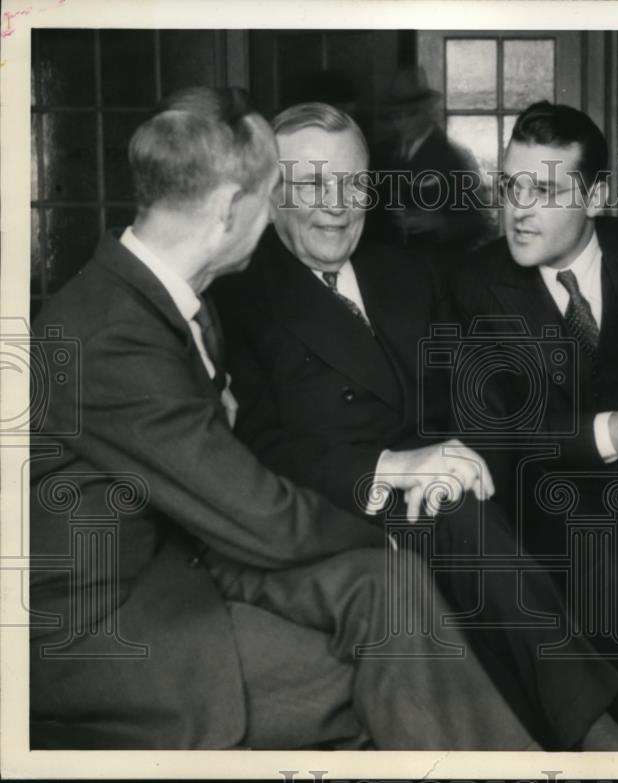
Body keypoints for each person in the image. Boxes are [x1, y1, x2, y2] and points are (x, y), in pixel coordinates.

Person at [28, 86, 555, 751]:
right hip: (102, 628)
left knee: (390, 592)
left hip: (187, 562)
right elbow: (258, 514)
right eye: (284, 188)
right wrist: (386, 529)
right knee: (394, 668)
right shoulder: (112, 334)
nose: (302, 209)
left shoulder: (160, 298)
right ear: (228, 209)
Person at [210, 101, 618, 752]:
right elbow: (259, 453)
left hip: (448, 490)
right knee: (456, 519)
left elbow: (484, 398)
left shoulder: (405, 273)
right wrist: (395, 470)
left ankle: (562, 733)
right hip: (338, 509)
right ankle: (591, 730)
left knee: (498, 511)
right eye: (312, 185)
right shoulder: (238, 300)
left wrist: (467, 454)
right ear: (271, 194)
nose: (337, 204)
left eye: (354, 183)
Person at [449, 101, 618, 740]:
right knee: (617, 579)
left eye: (543, 190)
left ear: (595, 196)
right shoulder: (474, 285)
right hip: (557, 497)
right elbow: (497, 424)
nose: (518, 208)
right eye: (511, 185)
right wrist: (608, 431)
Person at [366, 65, 493, 257]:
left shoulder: (451, 157)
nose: (400, 123)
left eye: (409, 114)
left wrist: (439, 222)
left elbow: (479, 224)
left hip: (437, 271)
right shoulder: (385, 153)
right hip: (394, 267)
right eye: (395, 116)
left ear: (426, 111)